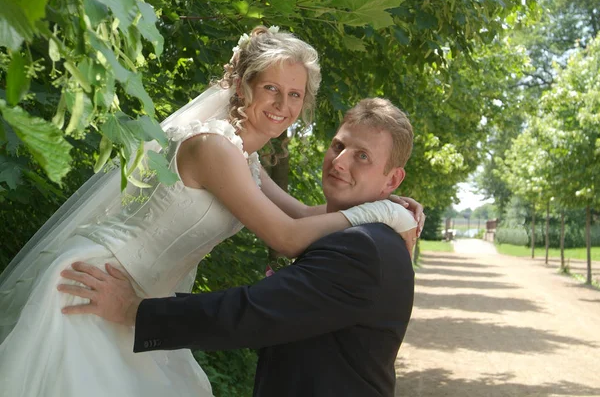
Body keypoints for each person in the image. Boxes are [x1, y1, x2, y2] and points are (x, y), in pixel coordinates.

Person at [0, 27, 421, 396]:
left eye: (295, 94)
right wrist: (383, 213)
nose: (283, 104)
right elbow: (286, 238)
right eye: (271, 88)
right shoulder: (213, 148)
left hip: (141, 299)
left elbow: (302, 216)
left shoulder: (244, 159)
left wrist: (383, 206)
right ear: (242, 86)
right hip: (99, 281)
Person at [60, 97, 416, 397]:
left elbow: (252, 312)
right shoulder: (360, 234)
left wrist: (134, 311)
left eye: (362, 156)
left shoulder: (363, 248)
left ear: (392, 179)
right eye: (338, 145)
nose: (339, 162)